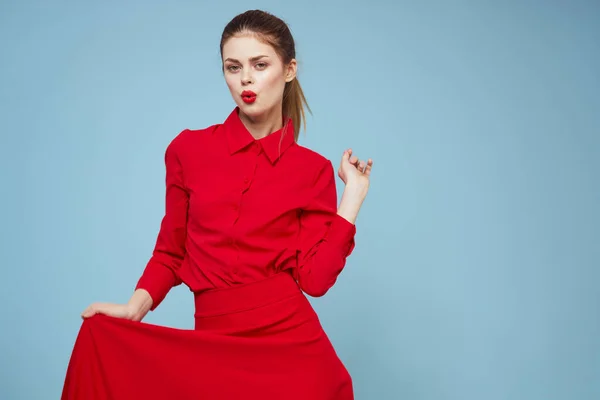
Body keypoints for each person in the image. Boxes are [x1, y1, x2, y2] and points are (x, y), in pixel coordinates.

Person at [62, 9, 373, 400]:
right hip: (213, 341)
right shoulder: (187, 151)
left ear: (289, 70)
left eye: (260, 65)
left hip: (289, 345)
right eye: (233, 67)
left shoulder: (311, 170)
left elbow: (315, 280)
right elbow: (172, 253)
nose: (245, 78)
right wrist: (134, 308)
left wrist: (353, 198)